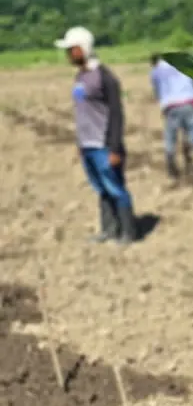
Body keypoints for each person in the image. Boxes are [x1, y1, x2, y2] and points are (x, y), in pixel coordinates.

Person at [55, 26, 137, 245]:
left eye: (71, 50)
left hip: (104, 144)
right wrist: (80, 144)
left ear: (83, 49)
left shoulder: (105, 76)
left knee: (116, 188)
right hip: (87, 144)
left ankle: (128, 232)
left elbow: (117, 114)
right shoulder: (81, 76)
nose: (68, 55)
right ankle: (109, 229)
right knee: (101, 189)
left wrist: (115, 147)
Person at [149, 55, 193, 182]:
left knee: (170, 140)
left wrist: (163, 102)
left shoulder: (156, 71)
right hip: (190, 104)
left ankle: (172, 172)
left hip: (171, 107)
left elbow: (157, 91)